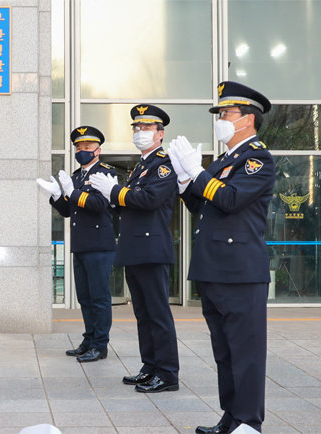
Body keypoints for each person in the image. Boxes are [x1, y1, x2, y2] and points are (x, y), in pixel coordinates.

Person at [167, 81, 274, 433]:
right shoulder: (226, 160)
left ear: (247, 119)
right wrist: (185, 178)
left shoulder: (257, 159)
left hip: (241, 273)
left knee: (246, 354)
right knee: (225, 353)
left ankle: (249, 422)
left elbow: (229, 201)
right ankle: (231, 416)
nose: (221, 119)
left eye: (226, 113)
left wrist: (197, 172)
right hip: (215, 270)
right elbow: (200, 205)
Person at [90, 105, 180, 392]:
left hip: (152, 249)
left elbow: (150, 199)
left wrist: (116, 193)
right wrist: (119, 197)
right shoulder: (142, 166)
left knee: (158, 313)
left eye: (147, 128)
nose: (140, 132)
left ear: (160, 133)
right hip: (135, 249)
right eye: (137, 128)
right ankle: (150, 366)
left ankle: (167, 373)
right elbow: (134, 201)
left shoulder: (163, 164)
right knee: (143, 313)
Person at [37, 126, 117, 363]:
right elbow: (68, 211)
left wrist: (72, 193)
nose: (82, 150)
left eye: (87, 147)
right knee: (85, 296)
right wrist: (56, 195)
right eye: (79, 147)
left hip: (99, 246)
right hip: (81, 245)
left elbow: (100, 205)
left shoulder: (106, 173)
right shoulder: (77, 175)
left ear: (98, 150)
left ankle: (100, 345)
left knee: (99, 298)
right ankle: (89, 339)